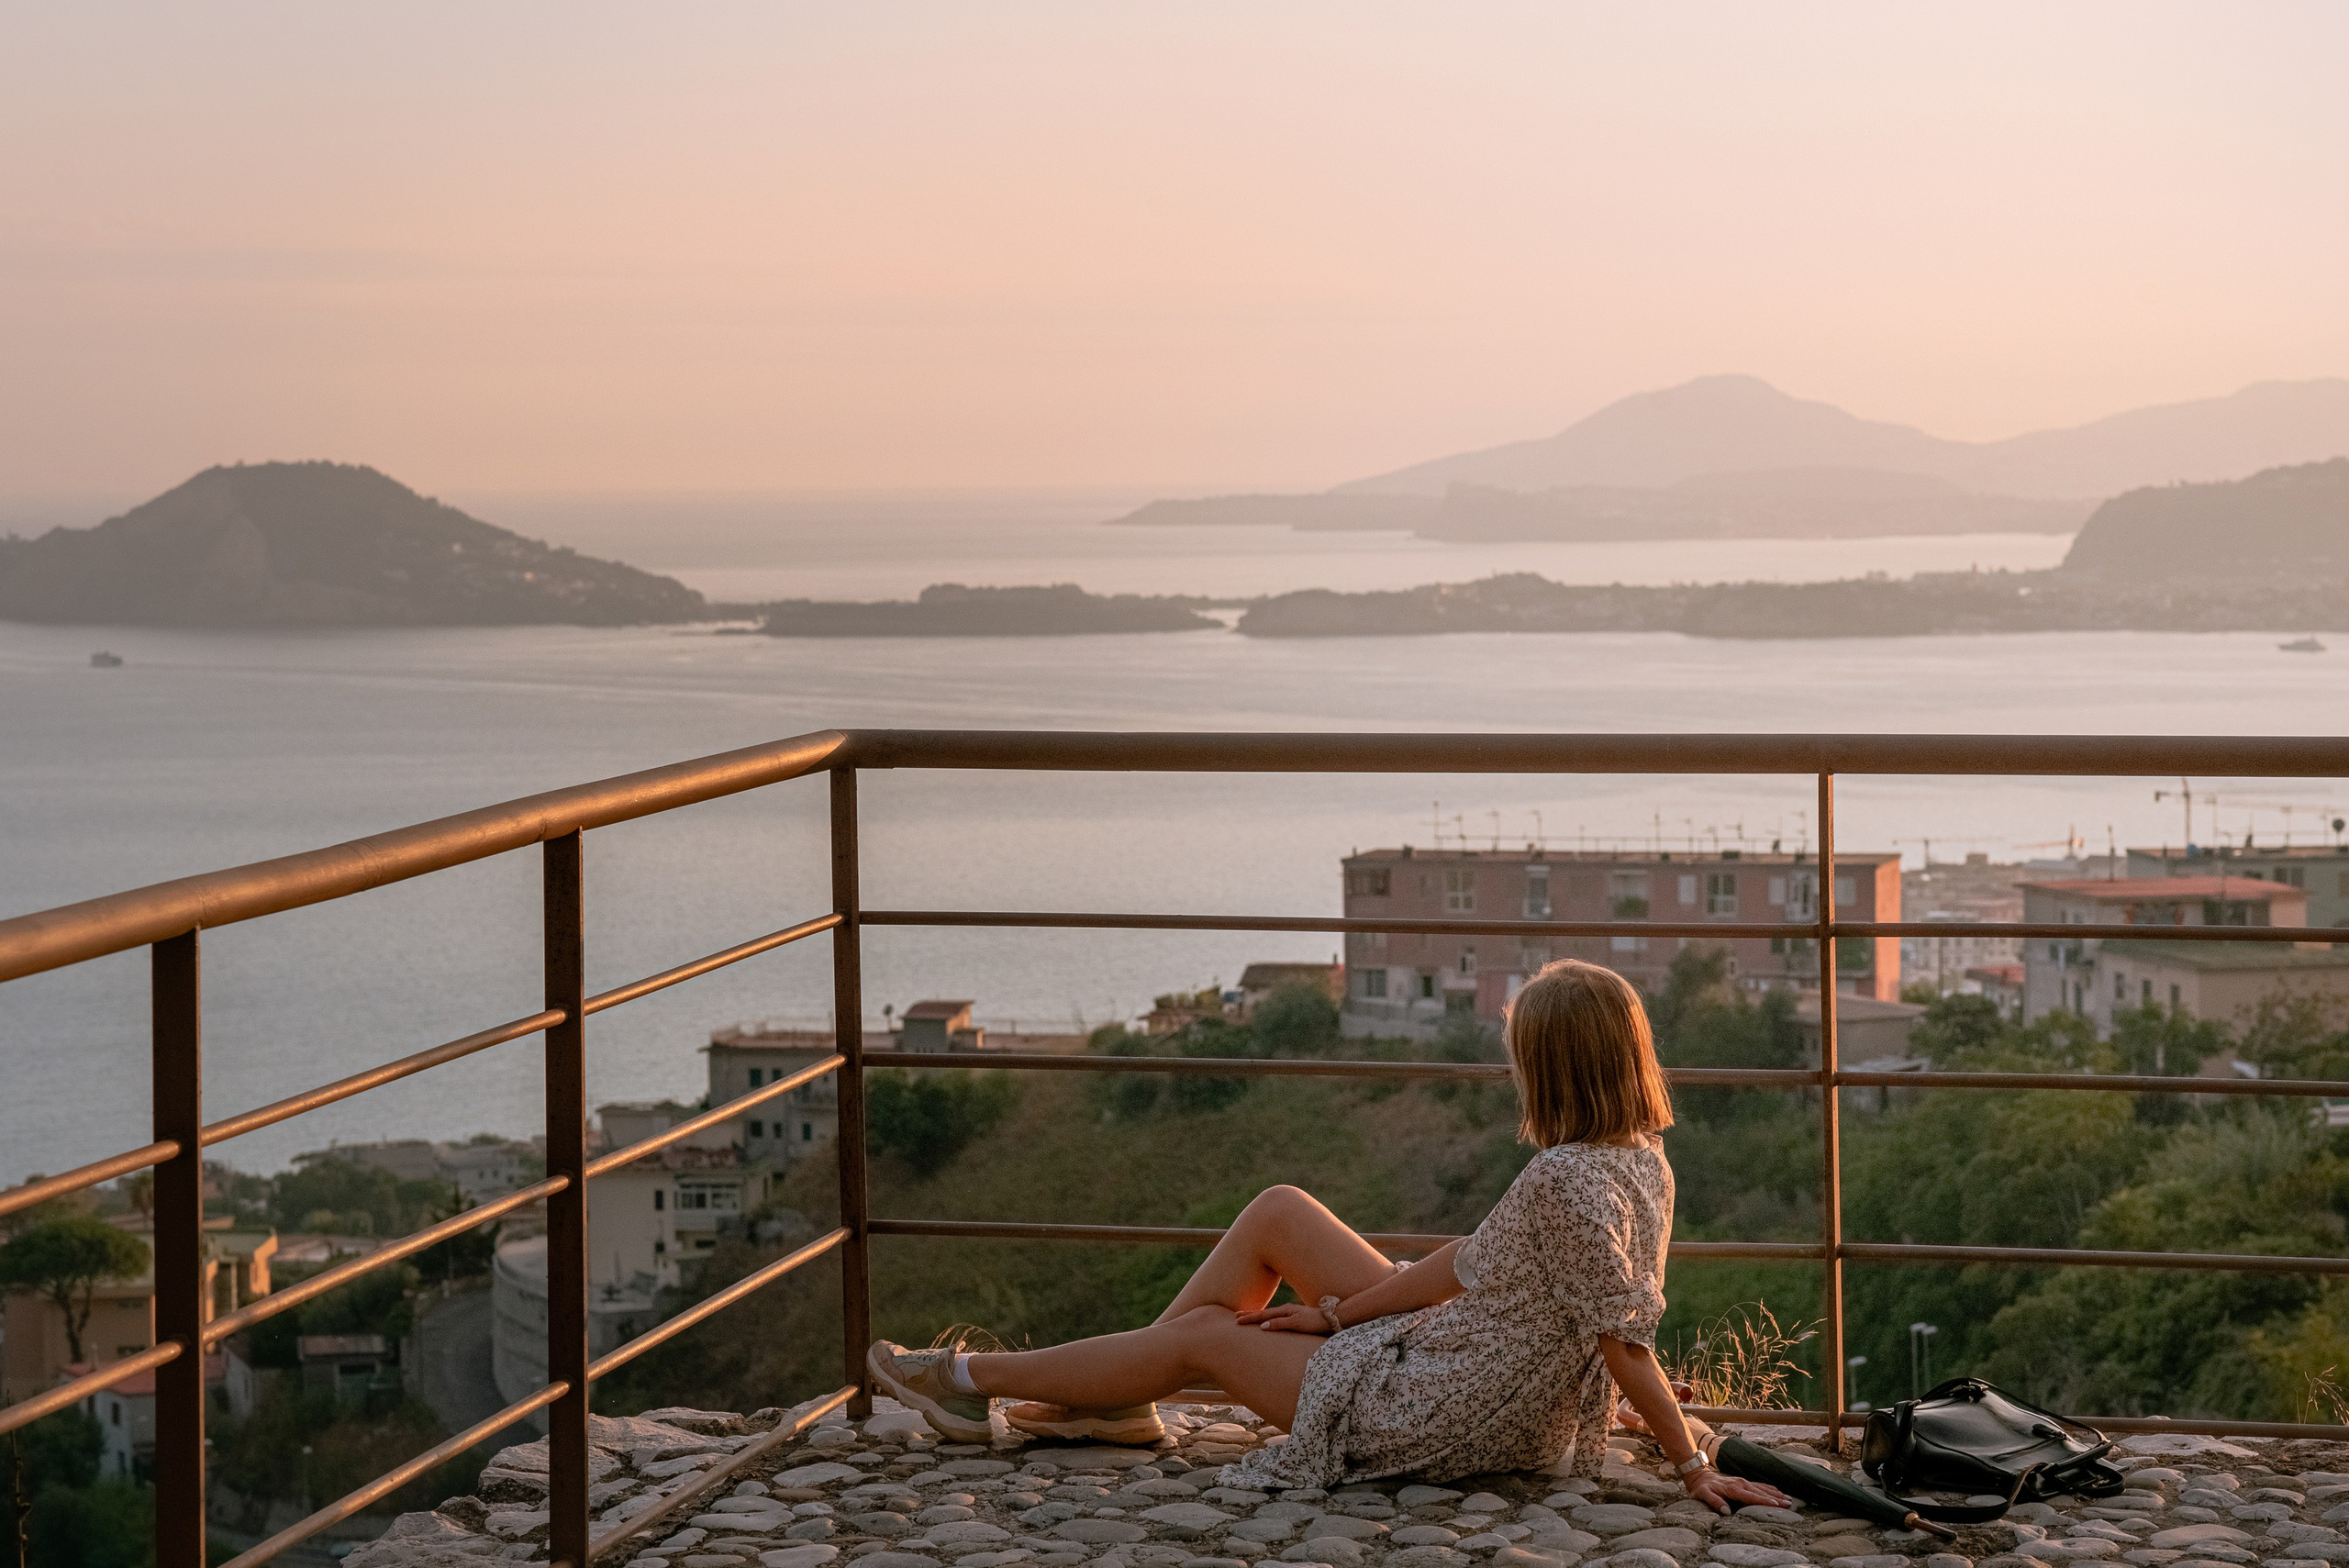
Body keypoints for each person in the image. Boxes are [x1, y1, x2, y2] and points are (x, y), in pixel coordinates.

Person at [867, 959, 1792, 1512]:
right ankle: (1107, 1399)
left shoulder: (1562, 1174)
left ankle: (964, 1380)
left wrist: (1690, 1462)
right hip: (1462, 1350)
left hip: (1440, 1409)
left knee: (1198, 1337)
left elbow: (1618, 1335)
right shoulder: (1642, 1159)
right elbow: (1463, 1264)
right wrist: (1341, 1309)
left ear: (1546, 1068)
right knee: (1279, 1209)